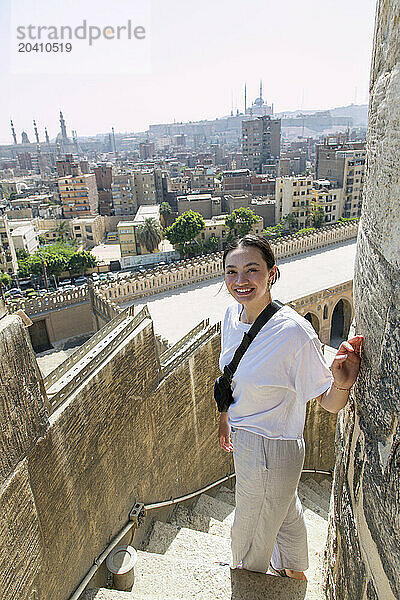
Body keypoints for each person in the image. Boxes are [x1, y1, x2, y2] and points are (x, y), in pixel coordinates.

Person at [218, 234, 363, 581]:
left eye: (252, 270)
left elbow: (327, 403)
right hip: (246, 439)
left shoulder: (294, 333)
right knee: (282, 510)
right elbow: (229, 376)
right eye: (231, 271)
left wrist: (342, 380)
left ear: (272, 273)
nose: (241, 281)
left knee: (250, 527)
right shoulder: (231, 314)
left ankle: (248, 579)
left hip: (272, 447)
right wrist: (225, 417)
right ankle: (294, 568)